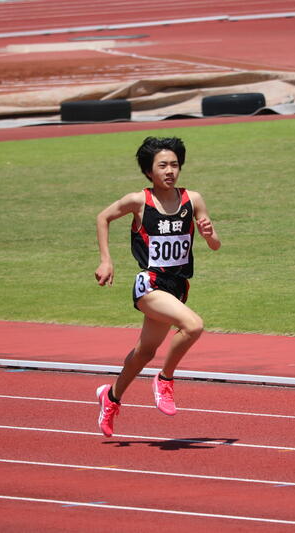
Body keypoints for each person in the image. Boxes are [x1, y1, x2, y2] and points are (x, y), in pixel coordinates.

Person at [94, 136, 221, 437]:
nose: (170, 171)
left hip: (177, 286)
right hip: (149, 284)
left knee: (145, 352)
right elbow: (103, 217)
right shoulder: (139, 201)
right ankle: (164, 380)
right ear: (148, 171)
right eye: (162, 165)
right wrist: (106, 260)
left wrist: (209, 234)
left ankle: (111, 397)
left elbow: (215, 245)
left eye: (174, 165)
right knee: (193, 325)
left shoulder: (193, 200)